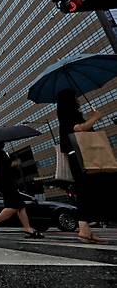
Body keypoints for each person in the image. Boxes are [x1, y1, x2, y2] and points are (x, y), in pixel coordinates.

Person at [57, 89, 105, 244]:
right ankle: (84, 229)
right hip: (79, 154)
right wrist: (95, 118)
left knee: (85, 190)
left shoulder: (64, 114)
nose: (78, 99)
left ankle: (86, 230)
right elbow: (78, 129)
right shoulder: (69, 114)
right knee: (85, 190)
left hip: (76, 154)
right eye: (75, 97)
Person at [0, 142, 43, 238]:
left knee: (20, 205)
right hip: (6, 183)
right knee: (14, 206)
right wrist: (14, 163)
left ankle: (27, 228)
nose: (4, 143)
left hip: (2, 183)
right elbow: (4, 167)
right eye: (3, 142)